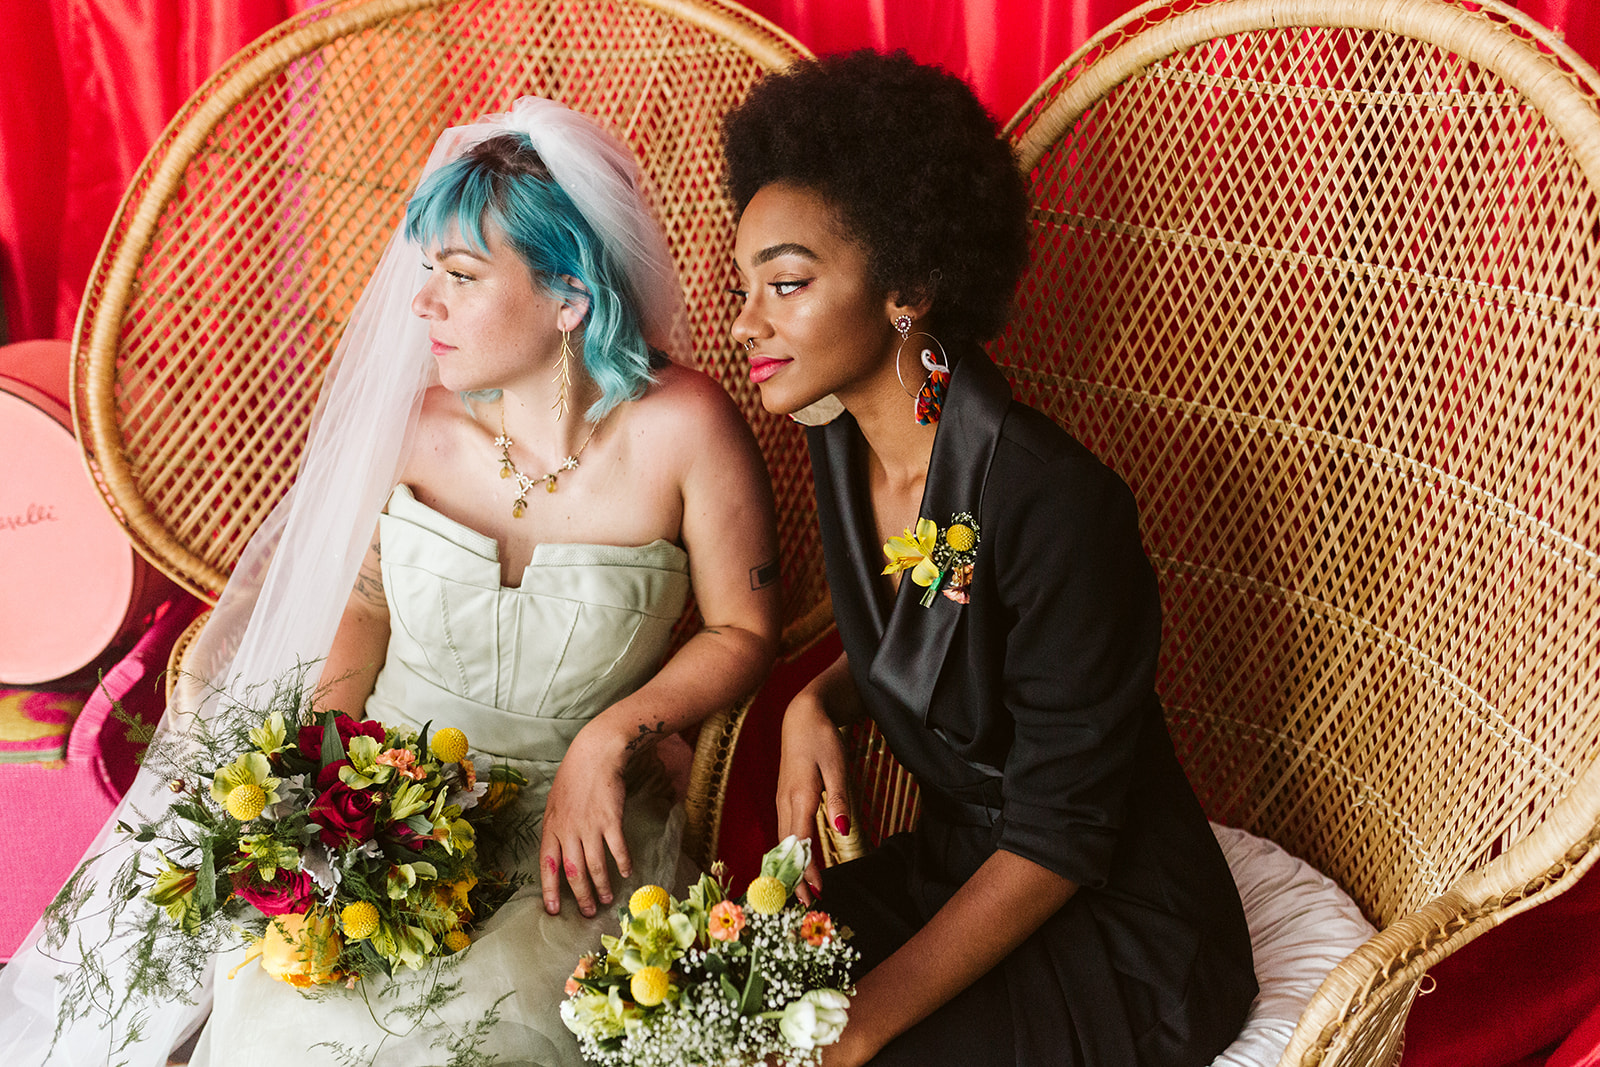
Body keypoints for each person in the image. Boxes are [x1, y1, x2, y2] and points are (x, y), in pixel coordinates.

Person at [0, 98, 779, 1067]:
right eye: (426, 274)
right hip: (389, 799)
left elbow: (744, 629)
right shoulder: (420, 430)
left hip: (573, 832)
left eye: (459, 276)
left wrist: (608, 736)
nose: (423, 306)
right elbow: (366, 603)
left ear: (569, 295)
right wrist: (321, 775)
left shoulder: (686, 430)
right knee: (287, 1016)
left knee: (493, 1042)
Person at [722, 52, 1256, 1067]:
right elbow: (934, 628)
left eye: (785, 282)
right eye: (744, 283)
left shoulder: (1058, 503)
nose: (747, 319)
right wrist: (815, 700)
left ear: (909, 286)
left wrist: (864, 1019)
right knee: (712, 995)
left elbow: (1060, 835)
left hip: (1109, 920)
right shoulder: (837, 443)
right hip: (956, 866)